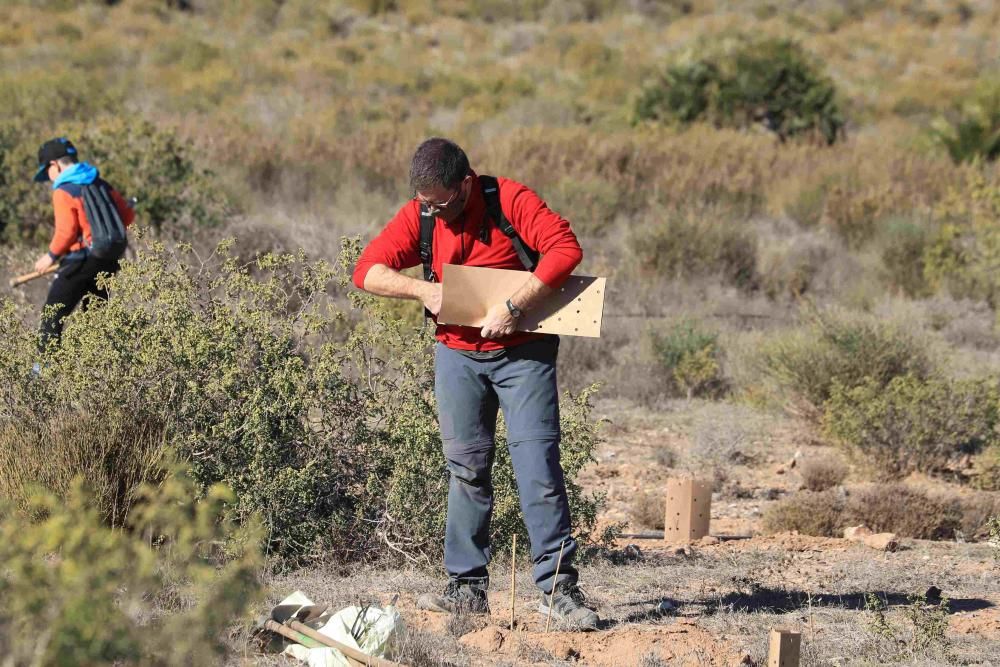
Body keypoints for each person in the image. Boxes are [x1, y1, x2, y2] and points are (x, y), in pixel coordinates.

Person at [352, 137, 599, 630]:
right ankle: (466, 589)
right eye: (425, 204)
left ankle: (558, 590)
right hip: (457, 357)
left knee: (537, 468)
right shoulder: (420, 215)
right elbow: (367, 271)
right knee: (466, 471)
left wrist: (516, 306)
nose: (434, 212)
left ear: (465, 184)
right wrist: (424, 289)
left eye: (441, 202)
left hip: (522, 353)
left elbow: (565, 249)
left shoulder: (509, 200)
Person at [31, 137, 135, 347]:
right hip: (108, 259)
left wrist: (50, 257)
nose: (49, 178)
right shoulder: (100, 183)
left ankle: (43, 372)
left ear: (55, 165)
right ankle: (99, 369)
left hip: (80, 261)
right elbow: (126, 214)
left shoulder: (64, 191)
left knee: (52, 314)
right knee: (95, 318)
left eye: (47, 172)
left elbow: (66, 232)